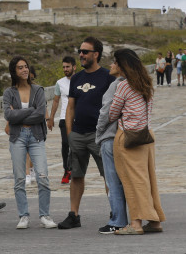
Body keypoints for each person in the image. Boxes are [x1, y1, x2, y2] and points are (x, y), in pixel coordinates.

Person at [57, 37, 114, 230]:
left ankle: (115, 213)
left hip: (100, 136)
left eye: (85, 51)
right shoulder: (77, 78)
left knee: (109, 175)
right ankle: (73, 215)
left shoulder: (107, 77)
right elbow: (70, 107)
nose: (80, 54)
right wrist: (70, 133)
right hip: (78, 135)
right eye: (80, 51)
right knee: (76, 175)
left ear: (96, 54)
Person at [108, 49, 165, 235]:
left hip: (129, 137)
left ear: (123, 65)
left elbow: (112, 113)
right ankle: (154, 221)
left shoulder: (123, 86)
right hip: (147, 135)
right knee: (148, 179)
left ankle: (136, 224)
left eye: (115, 61)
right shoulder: (146, 83)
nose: (112, 65)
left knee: (132, 181)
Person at [3, 56, 56, 229]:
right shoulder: (9, 93)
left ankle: (45, 215)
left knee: (43, 176)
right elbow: (8, 116)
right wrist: (29, 111)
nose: (25, 70)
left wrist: (19, 114)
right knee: (19, 178)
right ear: (14, 71)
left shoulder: (38, 90)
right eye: (20, 67)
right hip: (17, 137)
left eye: (26, 66)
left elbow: (41, 114)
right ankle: (23, 215)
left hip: (36, 136)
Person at [94, 60, 127, 234]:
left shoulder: (116, 85)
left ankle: (117, 220)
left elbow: (105, 112)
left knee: (112, 181)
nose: (112, 65)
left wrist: (99, 131)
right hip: (124, 137)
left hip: (109, 137)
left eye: (115, 62)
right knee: (124, 181)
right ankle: (127, 217)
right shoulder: (132, 84)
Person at [47, 56, 76, 184]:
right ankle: (67, 169)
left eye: (67, 67)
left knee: (76, 145)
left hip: (79, 118)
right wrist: (51, 117)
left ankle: (74, 169)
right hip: (64, 118)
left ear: (74, 67)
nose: (65, 69)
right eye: (63, 67)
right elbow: (56, 100)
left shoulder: (81, 80)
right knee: (65, 143)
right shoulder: (60, 83)